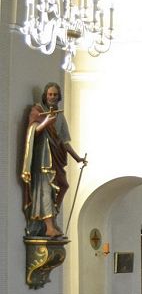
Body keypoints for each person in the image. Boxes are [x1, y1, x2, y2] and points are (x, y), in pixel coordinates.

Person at [20, 82, 86, 237]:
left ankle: (52, 218)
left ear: (59, 96)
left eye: (55, 95)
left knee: (63, 185)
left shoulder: (60, 115)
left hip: (56, 156)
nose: (52, 97)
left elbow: (64, 141)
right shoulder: (37, 111)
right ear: (45, 95)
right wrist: (45, 123)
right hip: (42, 157)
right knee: (45, 188)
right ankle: (49, 226)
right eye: (50, 94)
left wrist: (77, 158)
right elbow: (32, 131)